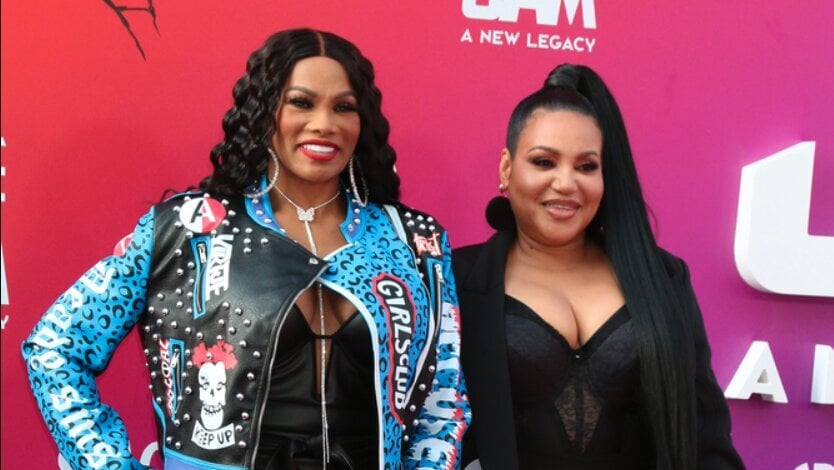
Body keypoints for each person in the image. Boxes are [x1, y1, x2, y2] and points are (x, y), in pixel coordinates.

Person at [22, 28, 469, 470]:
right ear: (263, 110)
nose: (324, 124)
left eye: (344, 107)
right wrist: (107, 463)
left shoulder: (415, 240)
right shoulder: (189, 228)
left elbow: (443, 398)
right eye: (301, 102)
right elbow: (54, 346)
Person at [453, 64, 744, 470]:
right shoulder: (454, 281)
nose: (566, 183)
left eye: (586, 166)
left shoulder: (662, 277)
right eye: (544, 162)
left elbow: (706, 435)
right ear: (507, 168)